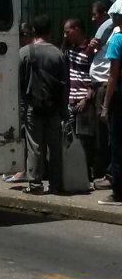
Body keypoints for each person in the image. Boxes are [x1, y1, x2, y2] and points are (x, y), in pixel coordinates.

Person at [20, 14, 68, 194]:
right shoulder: (58, 54)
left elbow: (19, 82)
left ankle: (35, 184)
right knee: (55, 148)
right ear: (50, 31)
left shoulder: (24, 52)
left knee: (35, 146)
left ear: (33, 31)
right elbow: (65, 84)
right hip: (54, 108)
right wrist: (64, 110)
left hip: (33, 106)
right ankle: (56, 185)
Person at [63, 17, 96, 180]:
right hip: (70, 103)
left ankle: (87, 175)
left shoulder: (90, 51)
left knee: (85, 141)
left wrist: (87, 99)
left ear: (77, 30)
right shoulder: (69, 51)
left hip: (84, 103)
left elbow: (95, 78)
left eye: (67, 32)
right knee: (69, 139)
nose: (64, 35)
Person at [3, 22, 35, 183]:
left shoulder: (26, 53)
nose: (19, 39)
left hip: (28, 100)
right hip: (22, 99)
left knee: (25, 135)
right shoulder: (21, 52)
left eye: (21, 36)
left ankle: (23, 171)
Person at [98, 0, 122, 206]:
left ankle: (118, 193)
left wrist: (105, 105)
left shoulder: (117, 40)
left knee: (117, 145)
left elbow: (113, 75)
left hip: (119, 99)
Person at [89, 0, 114, 187]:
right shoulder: (107, 36)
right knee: (101, 134)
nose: (92, 18)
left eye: (95, 14)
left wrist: (105, 103)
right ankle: (103, 171)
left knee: (107, 135)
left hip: (106, 87)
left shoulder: (115, 34)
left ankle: (110, 174)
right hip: (99, 86)